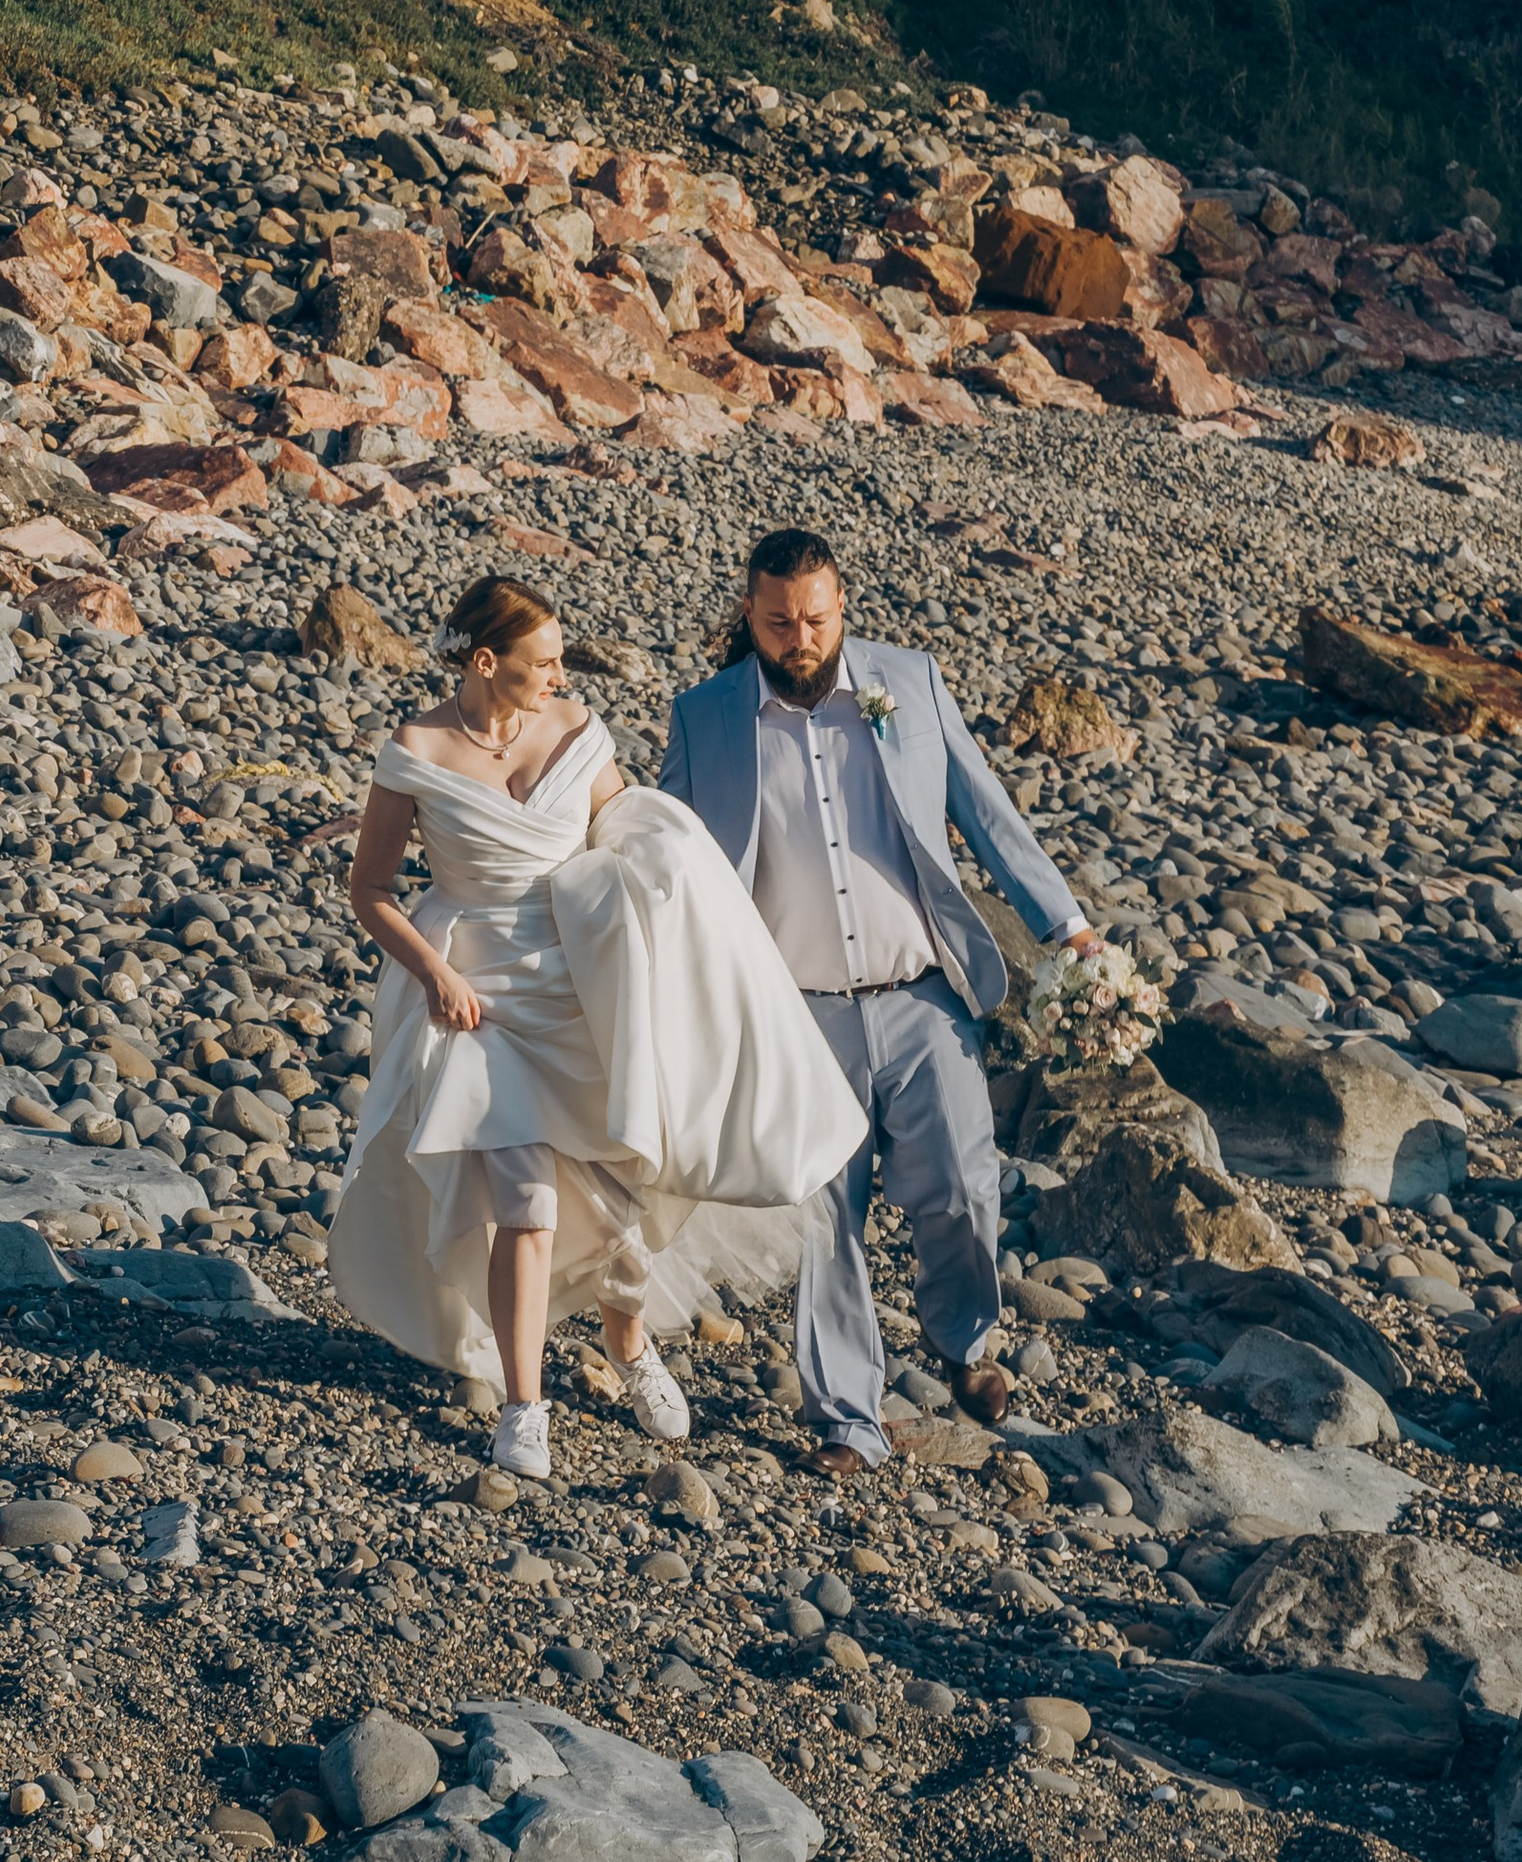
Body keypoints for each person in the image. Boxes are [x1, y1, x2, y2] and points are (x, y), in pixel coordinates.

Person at [330, 574, 862, 1484]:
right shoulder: (413, 751)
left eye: (562, 658)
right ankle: (524, 1406)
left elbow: (628, 827)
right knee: (525, 1202)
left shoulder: (576, 729)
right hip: (480, 997)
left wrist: (687, 909)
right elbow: (368, 891)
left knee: (622, 1189)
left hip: (582, 978)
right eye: (544, 662)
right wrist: (434, 972)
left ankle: (626, 1342)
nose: (561, 675)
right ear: (487, 662)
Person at [662, 527, 1100, 1481]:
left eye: (815, 618)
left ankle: (964, 1341)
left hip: (922, 997)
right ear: (750, 614)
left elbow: (987, 811)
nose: (799, 638)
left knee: (961, 1189)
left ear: (842, 607)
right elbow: (670, 859)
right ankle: (848, 1420)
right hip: (796, 1019)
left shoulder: (907, 681)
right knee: (826, 1221)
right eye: (779, 622)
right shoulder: (704, 717)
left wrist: (1066, 926)